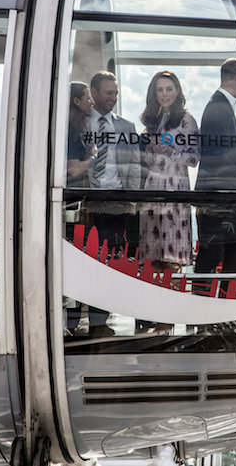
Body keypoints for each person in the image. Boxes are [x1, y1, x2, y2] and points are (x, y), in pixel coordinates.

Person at [85, 71, 141, 336]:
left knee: (108, 263)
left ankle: (99, 321)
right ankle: (80, 321)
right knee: (86, 264)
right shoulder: (79, 123)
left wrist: (133, 199)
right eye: (109, 93)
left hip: (117, 204)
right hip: (86, 203)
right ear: (94, 92)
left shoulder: (126, 126)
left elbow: (134, 165)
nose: (113, 98)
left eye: (116, 93)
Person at [193, 58, 236, 295]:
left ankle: (219, 308)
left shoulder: (219, 104)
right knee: (212, 257)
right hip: (218, 198)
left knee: (231, 256)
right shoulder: (218, 107)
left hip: (223, 196)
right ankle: (206, 309)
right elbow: (215, 155)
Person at [139, 70, 199, 271]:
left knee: (171, 257)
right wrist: (151, 148)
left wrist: (171, 151)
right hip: (153, 188)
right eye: (160, 90)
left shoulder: (187, 120)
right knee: (152, 259)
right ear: (154, 93)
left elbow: (194, 158)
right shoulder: (153, 121)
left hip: (175, 189)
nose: (165, 94)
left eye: (169, 89)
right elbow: (148, 162)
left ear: (177, 91)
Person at [66, 82, 97, 188]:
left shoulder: (75, 128)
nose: (92, 102)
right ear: (77, 101)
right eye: (88, 98)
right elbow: (74, 169)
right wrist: (93, 157)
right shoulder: (71, 130)